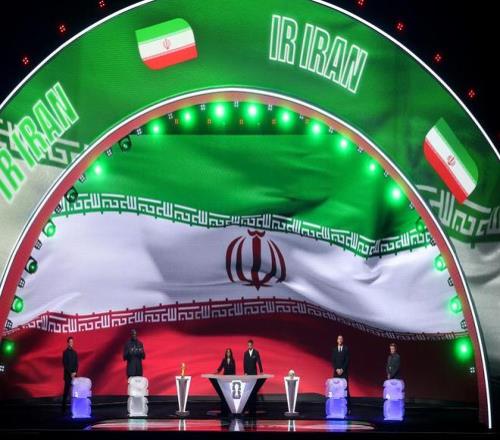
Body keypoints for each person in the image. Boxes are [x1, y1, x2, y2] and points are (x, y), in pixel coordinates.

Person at [332, 334, 350, 413]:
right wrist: (337, 369)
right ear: (337, 340)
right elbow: (333, 361)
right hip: (336, 373)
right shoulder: (334, 349)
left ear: (342, 340)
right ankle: (336, 408)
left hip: (344, 372)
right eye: (338, 339)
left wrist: (342, 369)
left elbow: (347, 360)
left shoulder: (346, 349)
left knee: (345, 390)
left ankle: (348, 408)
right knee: (336, 389)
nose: (340, 340)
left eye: (341, 339)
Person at [62, 336, 78, 414]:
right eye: (70, 342)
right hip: (67, 376)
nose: (71, 343)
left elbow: (77, 364)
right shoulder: (65, 353)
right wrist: (70, 373)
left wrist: (75, 372)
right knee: (66, 393)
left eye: (72, 342)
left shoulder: (75, 353)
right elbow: (65, 364)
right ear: (68, 343)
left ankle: (74, 409)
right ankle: (63, 410)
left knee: (74, 394)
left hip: (74, 376)